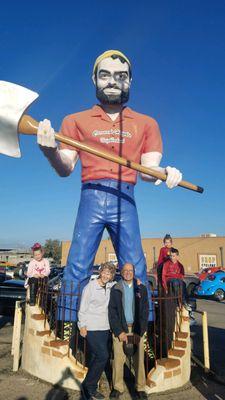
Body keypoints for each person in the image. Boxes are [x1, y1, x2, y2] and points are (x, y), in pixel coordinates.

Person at [37, 49, 182, 320]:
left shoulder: (146, 123)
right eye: (105, 75)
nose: (113, 81)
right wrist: (50, 151)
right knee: (77, 266)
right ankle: (68, 327)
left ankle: (142, 328)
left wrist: (166, 172)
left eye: (121, 76)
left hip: (125, 199)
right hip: (90, 196)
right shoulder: (74, 121)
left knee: (135, 267)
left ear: (130, 81)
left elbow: (148, 172)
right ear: (94, 79)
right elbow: (65, 168)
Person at [108, 263, 148, 400]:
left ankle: (140, 387)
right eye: (125, 271)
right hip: (121, 329)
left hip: (136, 329)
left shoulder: (141, 288)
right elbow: (112, 312)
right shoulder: (116, 289)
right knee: (118, 361)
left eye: (130, 271)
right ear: (121, 272)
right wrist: (119, 332)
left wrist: (139, 331)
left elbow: (144, 311)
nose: (128, 273)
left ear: (134, 272)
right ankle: (117, 388)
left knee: (139, 360)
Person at [78, 262, 116, 400]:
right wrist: (82, 325)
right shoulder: (90, 287)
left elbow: (124, 283)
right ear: (100, 272)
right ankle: (89, 384)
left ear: (112, 276)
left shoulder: (111, 286)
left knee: (95, 357)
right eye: (105, 272)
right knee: (103, 356)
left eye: (110, 273)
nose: (106, 275)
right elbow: (83, 307)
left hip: (105, 327)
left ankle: (90, 388)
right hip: (92, 327)